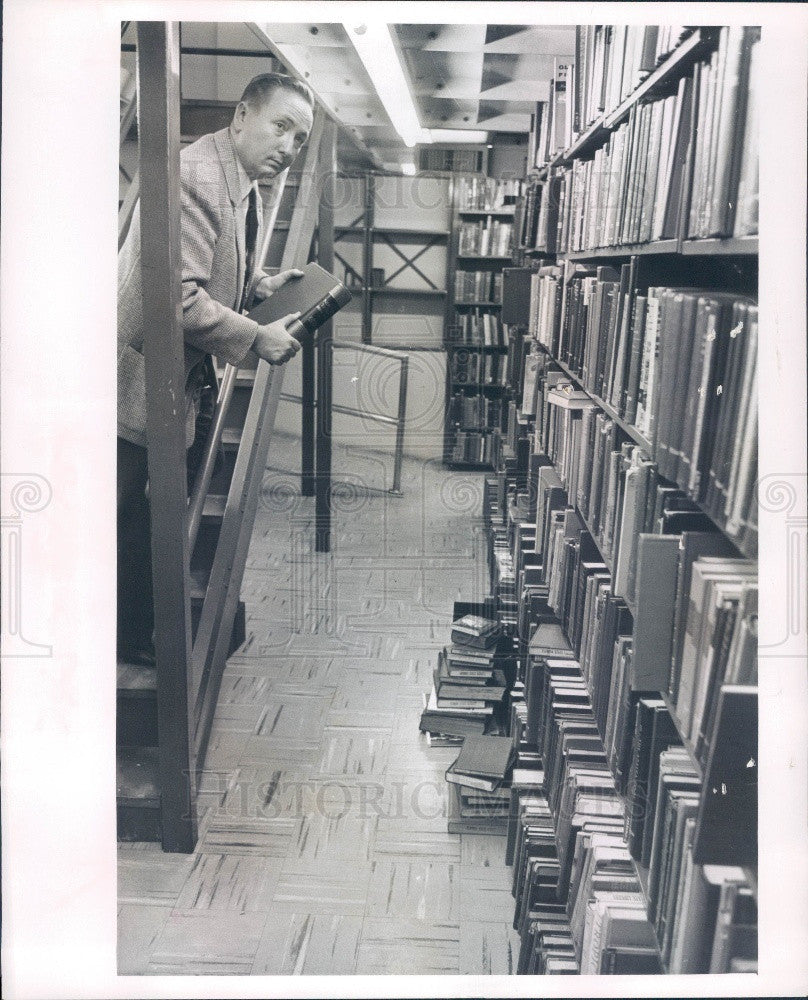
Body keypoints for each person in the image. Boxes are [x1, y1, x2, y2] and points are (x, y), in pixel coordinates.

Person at [117, 72, 315, 665]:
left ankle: (143, 632)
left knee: (153, 510)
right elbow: (176, 295)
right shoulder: (197, 178)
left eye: (300, 139)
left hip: (174, 378)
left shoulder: (242, 179)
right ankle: (129, 639)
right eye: (281, 126)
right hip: (137, 377)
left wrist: (258, 283)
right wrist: (256, 337)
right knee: (128, 511)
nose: (288, 146)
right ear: (240, 116)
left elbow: (210, 261)